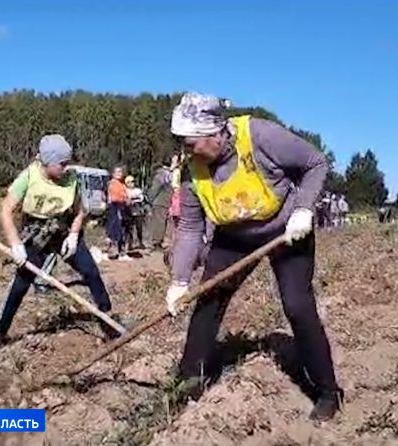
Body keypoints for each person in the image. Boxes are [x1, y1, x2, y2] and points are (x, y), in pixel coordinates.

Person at [165, 92, 343, 421]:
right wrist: (179, 280)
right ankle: (189, 381)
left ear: (216, 133)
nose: (187, 152)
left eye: (191, 144)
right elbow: (190, 228)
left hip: (287, 230)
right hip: (234, 237)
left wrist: (303, 209)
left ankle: (327, 391)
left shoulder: (260, 136)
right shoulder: (193, 171)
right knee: (207, 302)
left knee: (297, 306)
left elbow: (316, 163)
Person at [0, 135, 120, 351]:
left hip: (63, 231)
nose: (67, 168)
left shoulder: (72, 178)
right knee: (21, 283)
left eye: (68, 162)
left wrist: (74, 235)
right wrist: (16, 245)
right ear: (47, 162)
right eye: (62, 164)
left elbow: (80, 211)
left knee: (91, 272)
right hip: (37, 234)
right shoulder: (29, 177)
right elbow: (6, 211)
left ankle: (108, 319)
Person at [146, 157, 176, 250]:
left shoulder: (165, 174)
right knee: (160, 223)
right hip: (161, 202)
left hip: (163, 202)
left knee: (161, 223)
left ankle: (158, 242)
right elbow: (155, 189)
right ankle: (156, 243)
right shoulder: (165, 175)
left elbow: (155, 189)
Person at [106, 166, 131, 261]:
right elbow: (114, 198)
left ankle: (121, 252)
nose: (120, 173)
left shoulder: (121, 184)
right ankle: (113, 253)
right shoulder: (113, 183)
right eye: (117, 172)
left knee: (120, 231)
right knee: (115, 232)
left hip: (121, 209)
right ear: (113, 174)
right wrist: (125, 199)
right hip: (115, 208)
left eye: (121, 172)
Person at [124, 175, 147, 250]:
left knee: (139, 227)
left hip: (137, 209)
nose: (131, 184)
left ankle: (140, 242)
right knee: (129, 228)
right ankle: (129, 243)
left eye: (132, 182)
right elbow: (127, 198)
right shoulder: (125, 190)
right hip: (128, 210)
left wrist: (133, 198)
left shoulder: (138, 190)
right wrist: (133, 198)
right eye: (129, 182)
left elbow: (141, 198)